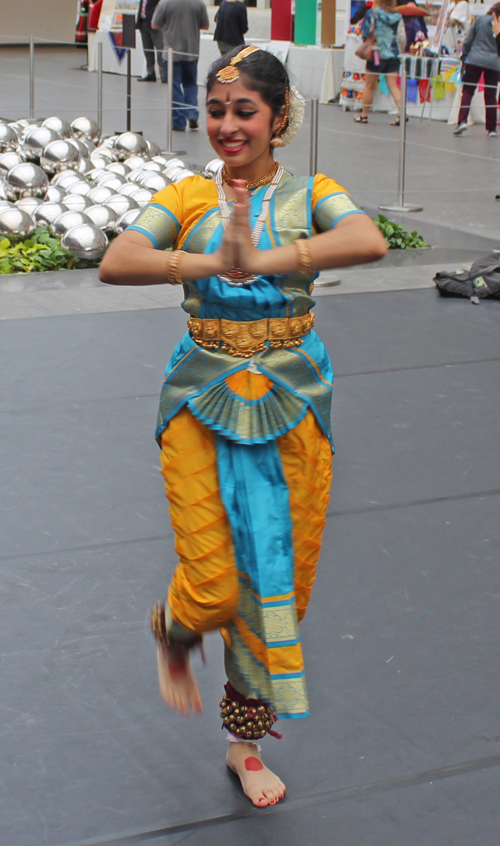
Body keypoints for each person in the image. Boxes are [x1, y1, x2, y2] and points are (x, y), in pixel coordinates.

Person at [99, 45, 387, 808]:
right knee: (214, 584)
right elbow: (119, 259)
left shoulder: (312, 192)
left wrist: (263, 256)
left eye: (245, 111)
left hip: (293, 400)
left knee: (273, 588)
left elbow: (368, 240)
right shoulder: (189, 197)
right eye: (218, 110)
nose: (228, 126)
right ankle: (175, 625)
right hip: (199, 398)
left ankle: (245, 746)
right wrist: (201, 265)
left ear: (280, 116)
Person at [152, 0, 209, 131]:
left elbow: (155, 24)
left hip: (172, 52)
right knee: (190, 84)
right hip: (192, 50)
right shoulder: (199, 3)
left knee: (174, 86)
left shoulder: (165, 3)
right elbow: (205, 25)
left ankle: (179, 122)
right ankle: (191, 113)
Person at [454, 2, 500, 137]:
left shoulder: (479, 20)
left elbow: (468, 40)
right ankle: (491, 128)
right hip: (494, 62)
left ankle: (462, 121)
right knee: (491, 94)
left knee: (468, 90)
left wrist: (464, 56)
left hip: (474, 59)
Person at [354, 0, 403, 125]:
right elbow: (402, 37)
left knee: (369, 85)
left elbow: (365, 32)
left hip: (376, 53)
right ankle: (402, 114)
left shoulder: (372, 13)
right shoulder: (397, 15)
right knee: (393, 86)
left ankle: (364, 115)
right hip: (392, 54)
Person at [136, 0, 164, 82]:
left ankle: (164, 74)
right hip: (143, 23)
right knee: (147, 50)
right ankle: (150, 73)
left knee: (160, 50)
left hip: (155, 25)